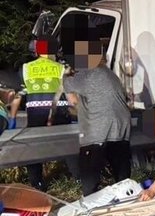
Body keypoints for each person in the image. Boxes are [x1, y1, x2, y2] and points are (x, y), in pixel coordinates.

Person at [62, 41, 132, 196]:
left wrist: (67, 74)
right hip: (121, 129)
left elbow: (69, 92)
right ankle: (127, 202)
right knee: (122, 175)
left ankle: (91, 206)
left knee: (89, 174)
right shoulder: (110, 74)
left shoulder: (87, 74)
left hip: (98, 130)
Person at [11, 37, 74, 190]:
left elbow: (19, 95)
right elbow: (72, 96)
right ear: (55, 50)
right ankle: (77, 177)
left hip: (36, 114)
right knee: (70, 144)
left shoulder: (26, 68)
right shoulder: (62, 68)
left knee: (33, 149)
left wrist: (12, 118)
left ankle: (37, 183)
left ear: (37, 51)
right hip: (59, 113)